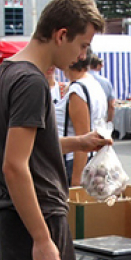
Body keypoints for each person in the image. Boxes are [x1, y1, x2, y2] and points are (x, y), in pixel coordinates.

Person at [0, 0, 110, 260]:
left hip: (9, 216)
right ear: (60, 35)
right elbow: (15, 164)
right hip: (31, 218)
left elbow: (30, 145)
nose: (82, 56)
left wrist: (78, 141)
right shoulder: (33, 82)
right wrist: (42, 238)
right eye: (82, 44)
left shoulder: (7, 72)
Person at [55, 47, 108, 185]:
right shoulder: (92, 84)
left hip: (73, 161)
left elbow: (83, 139)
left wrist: (76, 180)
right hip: (88, 159)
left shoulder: (78, 90)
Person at [89, 54, 115, 122]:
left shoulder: (77, 81)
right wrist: (108, 123)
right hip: (100, 122)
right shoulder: (106, 82)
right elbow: (111, 106)